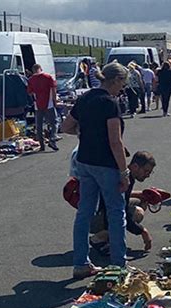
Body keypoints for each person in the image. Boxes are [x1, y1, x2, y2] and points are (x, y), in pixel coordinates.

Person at [61, 62, 129, 279]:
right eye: (123, 83)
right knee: (116, 211)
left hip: (85, 161)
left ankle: (81, 262)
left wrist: (86, 133)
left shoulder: (85, 98)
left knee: (84, 212)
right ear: (116, 80)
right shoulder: (110, 103)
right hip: (105, 163)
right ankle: (119, 264)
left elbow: (66, 126)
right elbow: (115, 141)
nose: (123, 87)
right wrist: (124, 171)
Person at [88, 151, 156, 254]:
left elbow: (124, 198)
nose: (148, 175)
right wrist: (142, 231)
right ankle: (98, 238)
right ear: (135, 166)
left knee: (140, 202)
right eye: (146, 171)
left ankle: (110, 236)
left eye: (150, 172)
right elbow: (122, 211)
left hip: (99, 210)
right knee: (137, 213)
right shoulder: (123, 179)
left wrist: (143, 194)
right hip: (96, 217)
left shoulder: (127, 175)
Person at [27, 64, 59, 151]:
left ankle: (42, 145)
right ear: (41, 69)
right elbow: (53, 89)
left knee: (39, 125)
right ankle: (52, 138)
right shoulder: (48, 77)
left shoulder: (31, 80)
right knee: (54, 123)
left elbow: (29, 93)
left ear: (33, 70)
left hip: (38, 105)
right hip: (49, 104)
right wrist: (54, 100)